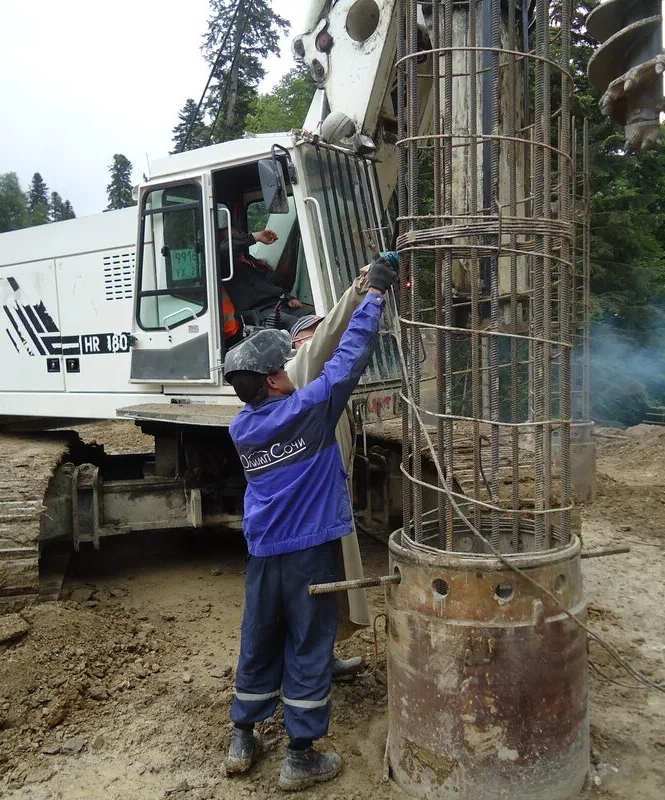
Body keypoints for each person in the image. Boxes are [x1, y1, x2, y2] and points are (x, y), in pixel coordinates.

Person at [222, 253, 398, 790]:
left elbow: (322, 363)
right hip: (307, 553)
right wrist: (374, 299)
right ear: (273, 384)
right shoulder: (310, 410)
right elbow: (347, 360)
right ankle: (300, 755)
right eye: (280, 369)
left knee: (260, 633)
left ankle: (243, 735)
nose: (287, 371)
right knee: (308, 642)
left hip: (264, 552)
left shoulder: (241, 428)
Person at [285, 279, 376, 674]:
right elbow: (334, 335)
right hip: (310, 512)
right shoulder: (298, 373)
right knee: (309, 587)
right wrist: (362, 289)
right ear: (296, 344)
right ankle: (303, 671)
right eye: (314, 333)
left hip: (329, 504)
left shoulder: (324, 385)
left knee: (331, 582)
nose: (323, 338)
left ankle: (324, 657)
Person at [219, 226, 304, 331]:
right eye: (233, 238)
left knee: (317, 317)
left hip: (281, 305)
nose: (240, 239)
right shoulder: (226, 267)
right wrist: (256, 237)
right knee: (301, 326)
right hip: (260, 312)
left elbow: (274, 286)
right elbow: (224, 249)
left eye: (240, 236)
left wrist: (289, 298)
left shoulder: (255, 262)